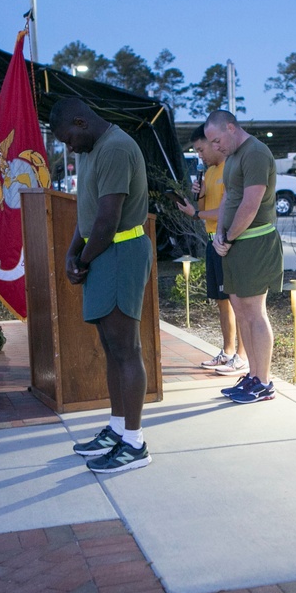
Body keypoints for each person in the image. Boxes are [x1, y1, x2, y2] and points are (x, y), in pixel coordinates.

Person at [49, 98, 154, 472]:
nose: (69, 147)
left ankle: (135, 443)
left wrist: (83, 260)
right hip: (102, 253)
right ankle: (116, 428)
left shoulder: (117, 148)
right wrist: (70, 254)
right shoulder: (90, 149)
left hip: (121, 251)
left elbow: (108, 222)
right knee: (111, 348)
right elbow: (88, 213)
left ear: (81, 121)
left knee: (127, 349)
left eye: (68, 138)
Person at [202, 110, 284, 404]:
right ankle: (252, 375)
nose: (215, 147)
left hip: (255, 242)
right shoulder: (233, 157)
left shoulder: (256, 153)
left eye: (217, 140)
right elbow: (228, 199)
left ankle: (264, 382)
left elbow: (251, 203)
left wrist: (230, 236)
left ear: (231, 127)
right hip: (233, 244)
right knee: (240, 310)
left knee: (254, 311)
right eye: (211, 143)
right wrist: (220, 236)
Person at [175, 125, 248, 377]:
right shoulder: (209, 173)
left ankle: (243, 356)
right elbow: (206, 209)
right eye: (196, 151)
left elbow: (228, 211)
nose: (201, 155)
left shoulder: (230, 168)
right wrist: (199, 196)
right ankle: (228, 351)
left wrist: (195, 213)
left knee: (238, 301)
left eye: (202, 149)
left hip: (227, 241)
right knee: (221, 300)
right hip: (211, 239)